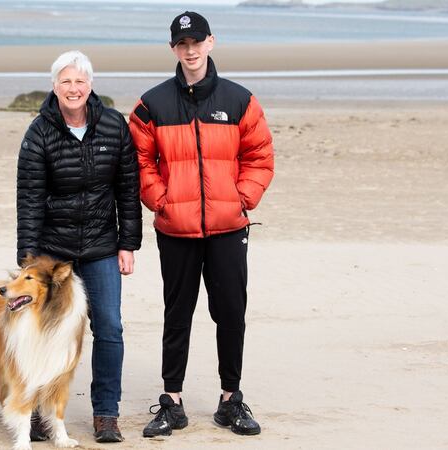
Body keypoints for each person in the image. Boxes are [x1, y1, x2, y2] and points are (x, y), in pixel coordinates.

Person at [129, 11, 274, 438]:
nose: (190, 51)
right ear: (173, 49)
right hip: (176, 229)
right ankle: (171, 401)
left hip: (228, 228)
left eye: (196, 42)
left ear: (211, 43)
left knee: (230, 312)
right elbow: (138, 162)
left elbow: (260, 156)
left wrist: (241, 199)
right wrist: (163, 201)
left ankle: (231, 399)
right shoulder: (152, 103)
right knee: (177, 314)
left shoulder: (239, 100)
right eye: (181, 44)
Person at [16, 50, 142, 443]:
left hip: (102, 247)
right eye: (66, 81)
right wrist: (29, 259)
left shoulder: (113, 125)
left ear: (90, 86)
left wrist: (128, 244)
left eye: (80, 81)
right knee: (48, 332)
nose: (74, 88)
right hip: (54, 254)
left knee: (109, 328)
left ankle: (106, 414)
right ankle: (40, 412)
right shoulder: (39, 132)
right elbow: (30, 198)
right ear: (55, 87)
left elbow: (127, 188)